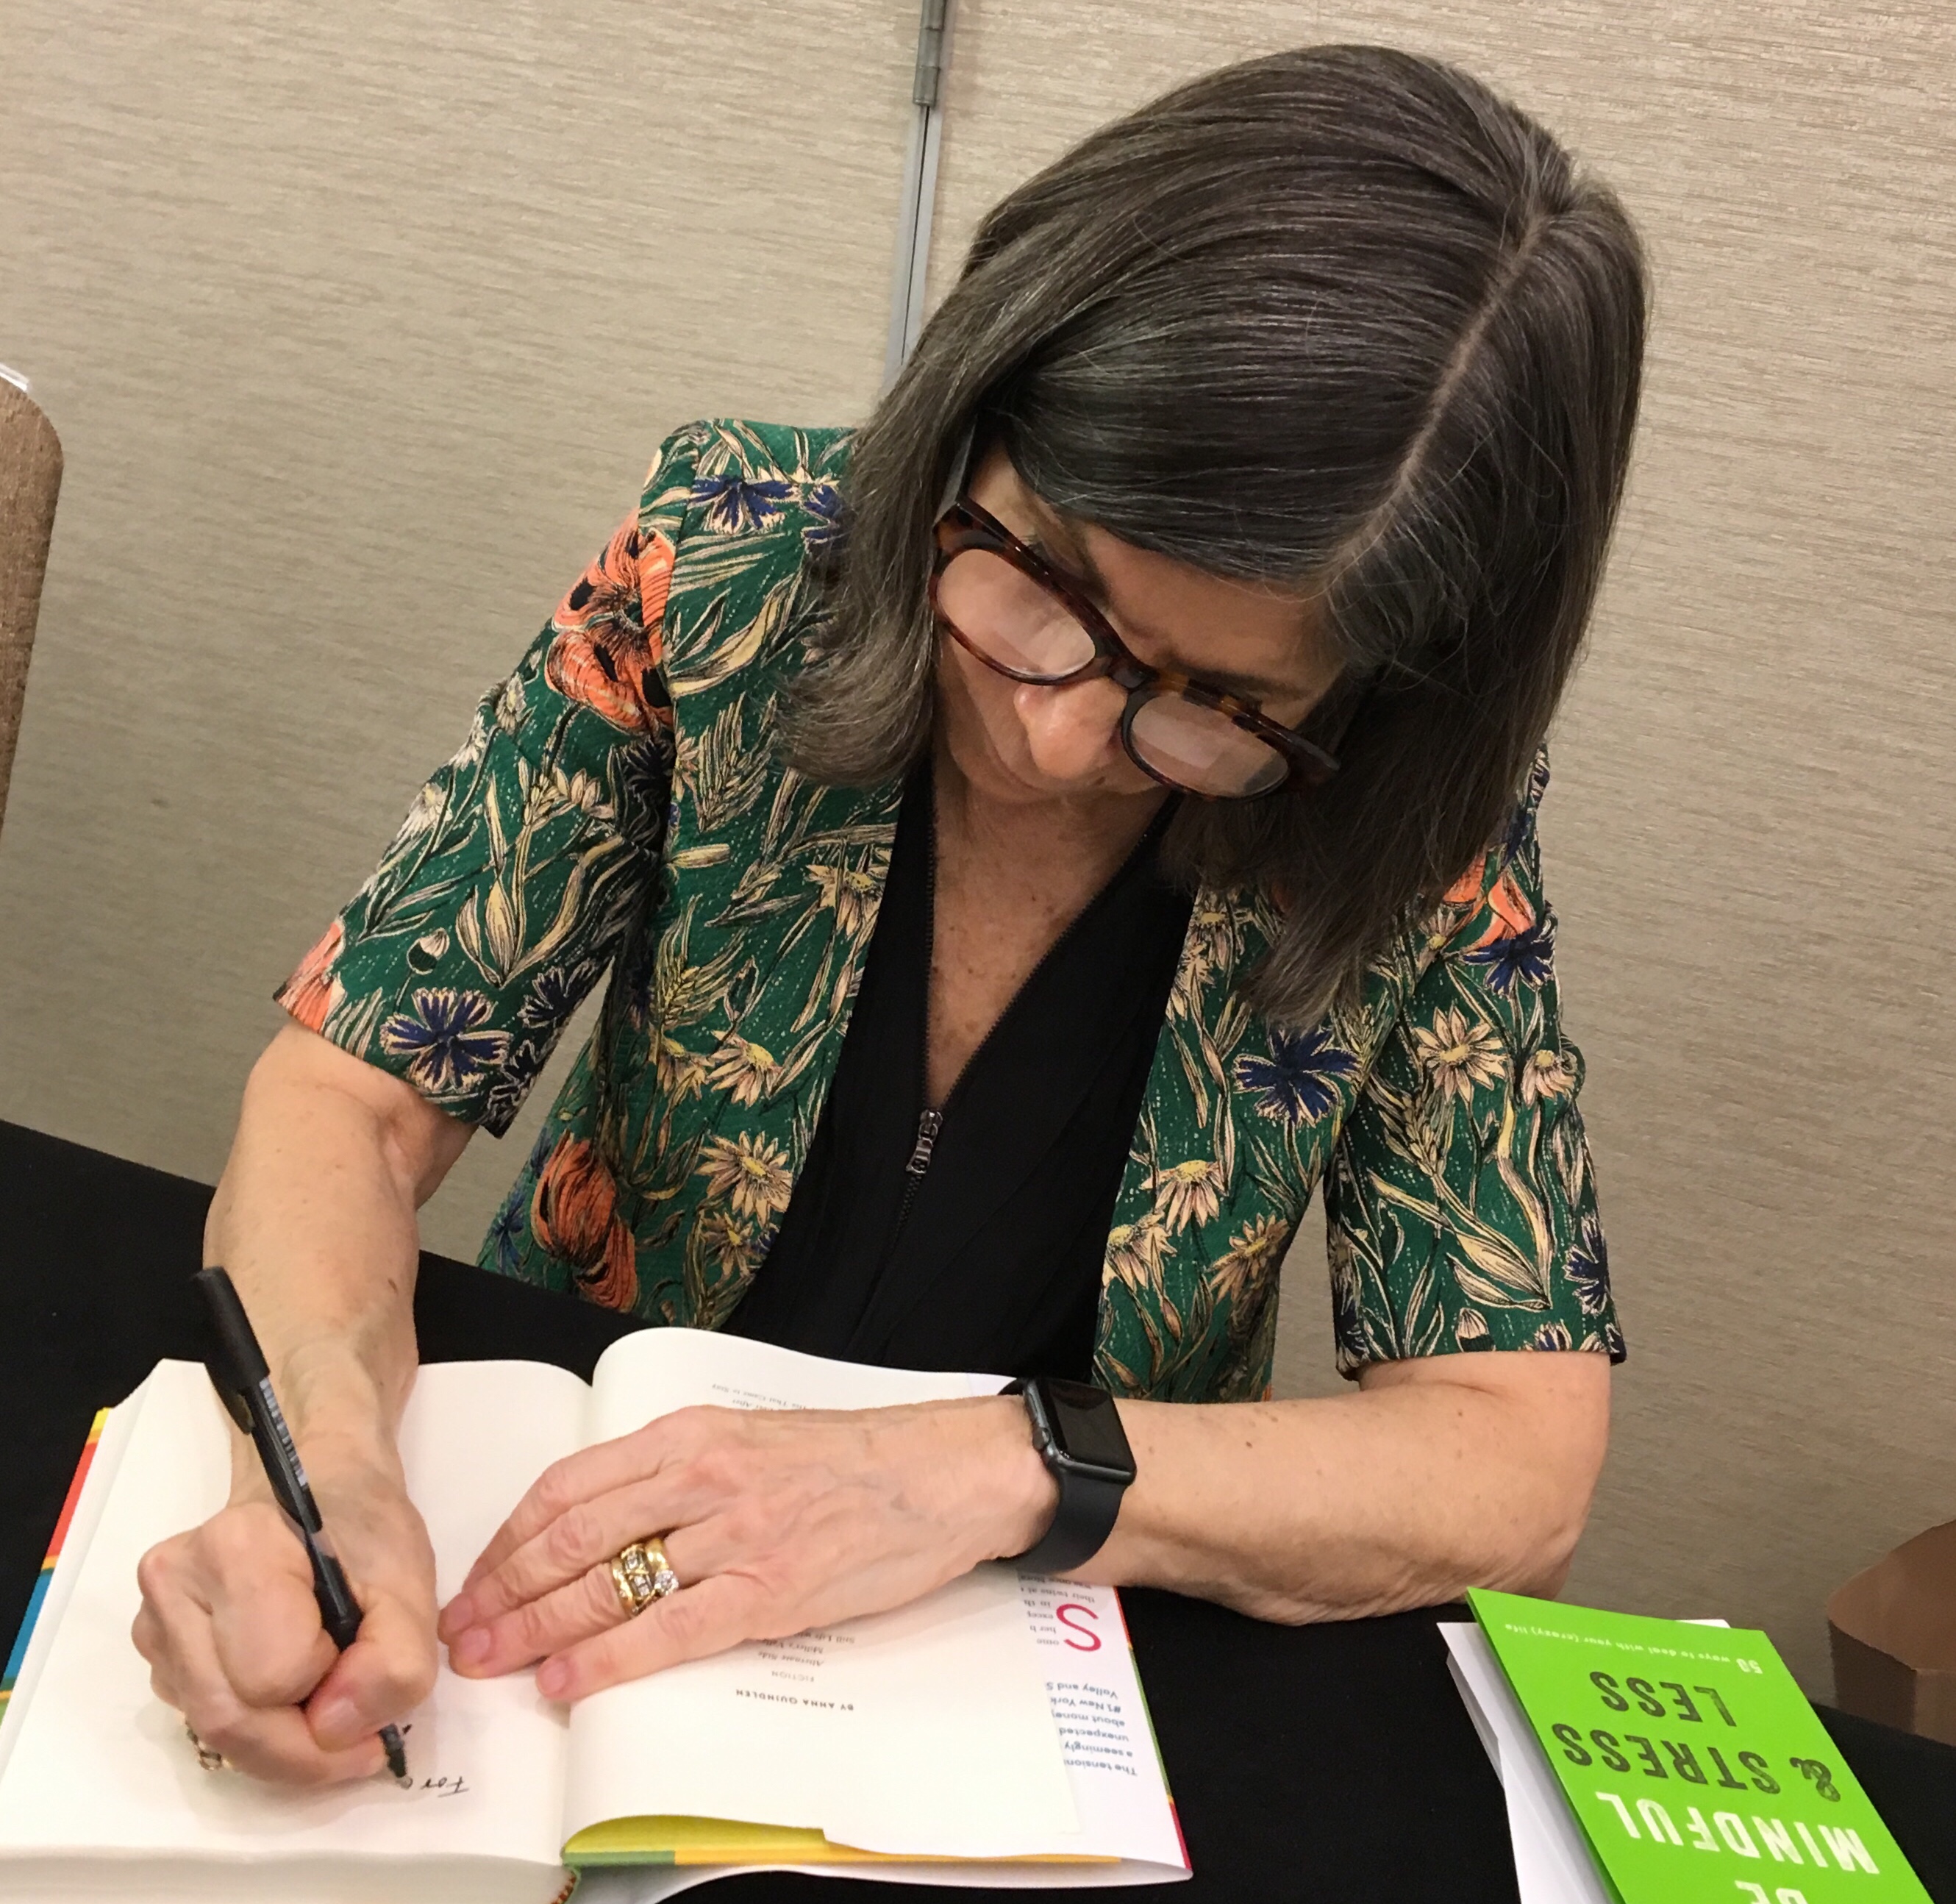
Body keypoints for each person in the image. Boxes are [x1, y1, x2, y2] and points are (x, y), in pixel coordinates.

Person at [133, 44, 1645, 1785]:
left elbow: (1515, 1463)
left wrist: (994, 1469)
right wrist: (319, 1461)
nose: (1054, 737)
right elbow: (351, 1093)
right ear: (970, 407)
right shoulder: (730, 560)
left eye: (1216, 707)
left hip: (1044, 1652)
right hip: (567, 1505)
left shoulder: (1409, 809)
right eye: (1040, 577)